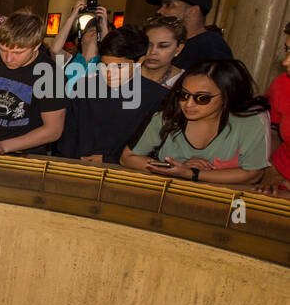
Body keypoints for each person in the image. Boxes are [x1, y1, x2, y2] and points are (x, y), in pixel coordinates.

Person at [121, 58, 269, 186]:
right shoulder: (168, 116)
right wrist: (172, 169)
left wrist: (192, 174)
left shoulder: (249, 120)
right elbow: (128, 158)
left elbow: (253, 174)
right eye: (184, 95)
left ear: (227, 96)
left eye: (202, 98)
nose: (188, 104)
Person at [55, 25, 167, 165]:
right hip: (76, 168)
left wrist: (111, 159)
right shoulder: (83, 87)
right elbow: (68, 138)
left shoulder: (157, 97)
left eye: (119, 67)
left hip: (125, 174)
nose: (109, 73)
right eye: (104, 65)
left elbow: (154, 149)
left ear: (140, 61)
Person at [0, 12, 67, 155]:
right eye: (3, 50)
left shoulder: (51, 74)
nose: (8, 58)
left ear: (36, 46)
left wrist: (4, 146)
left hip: (30, 153)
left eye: (18, 52)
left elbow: (53, 130)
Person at [147, 0, 231, 68]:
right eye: (161, 6)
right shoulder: (173, 42)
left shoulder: (211, 45)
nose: (159, 11)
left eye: (169, 5)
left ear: (193, 11)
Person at [256, 22, 290, 195]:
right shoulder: (282, 85)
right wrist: (271, 168)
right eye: (287, 50)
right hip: (279, 183)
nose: (286, 62)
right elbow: (273, 132)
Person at [141, 14, 187, 89]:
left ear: (179, 49)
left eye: (163, 46)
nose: (152, 52)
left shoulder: (184, 82)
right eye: (148, 45)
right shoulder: (122, 73)